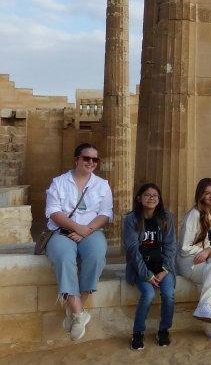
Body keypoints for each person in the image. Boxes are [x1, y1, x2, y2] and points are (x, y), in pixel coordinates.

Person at [44, 143, 113, 341]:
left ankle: (74, 310)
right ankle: (79, 313)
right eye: (86, 158)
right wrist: (78, 228)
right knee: (64, 257)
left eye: (95, 159)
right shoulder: (59, 182)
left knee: (97, 256)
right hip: (62, 231)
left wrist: (86, 231)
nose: (91, 162)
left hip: (91, 232)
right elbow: (53, 212)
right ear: (77, 160)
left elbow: (106, 214)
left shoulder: (102, 184)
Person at [123, 183, 176, 350]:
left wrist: (164, 270)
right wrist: (147, 275)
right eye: (147, 195)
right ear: (139, 198)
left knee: (168, 294)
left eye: (155, 195)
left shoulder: (166, 217)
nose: (151, 198)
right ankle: (138, 333)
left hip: (162, 267)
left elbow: (170, 246)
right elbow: (132, 250)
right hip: (140, 267)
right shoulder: (131, 219)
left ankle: (164, 330)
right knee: (148, 294)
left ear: (159, 199)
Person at [178, 178, 211, 342]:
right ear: (200, 196)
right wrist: (204, 251)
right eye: (207, 193)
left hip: (209, 258)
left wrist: (209, 251)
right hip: (190, 261)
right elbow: (184, 247)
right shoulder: (193, 215)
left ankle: (206, 307)